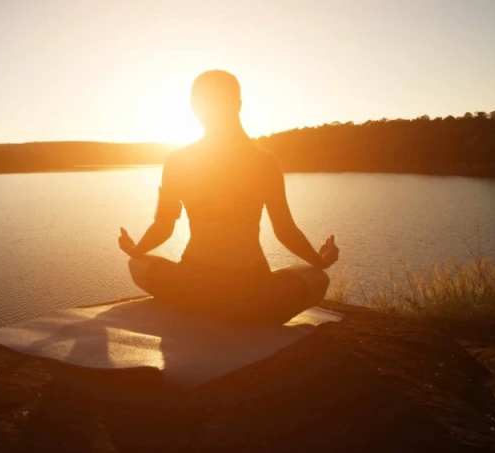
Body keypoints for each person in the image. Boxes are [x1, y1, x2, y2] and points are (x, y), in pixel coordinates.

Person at [118, 70, 339, 325]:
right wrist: (319, 261)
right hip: (253, 294)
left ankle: (203, 308)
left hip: (191, 288)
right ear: (238, 104)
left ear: (194, 107)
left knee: (137, 264)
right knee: (317, 278)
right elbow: (284, 230)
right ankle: (241, 313)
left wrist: (136, 250)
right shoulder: (264, 162)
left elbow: (164, 226)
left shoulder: (178, 161)